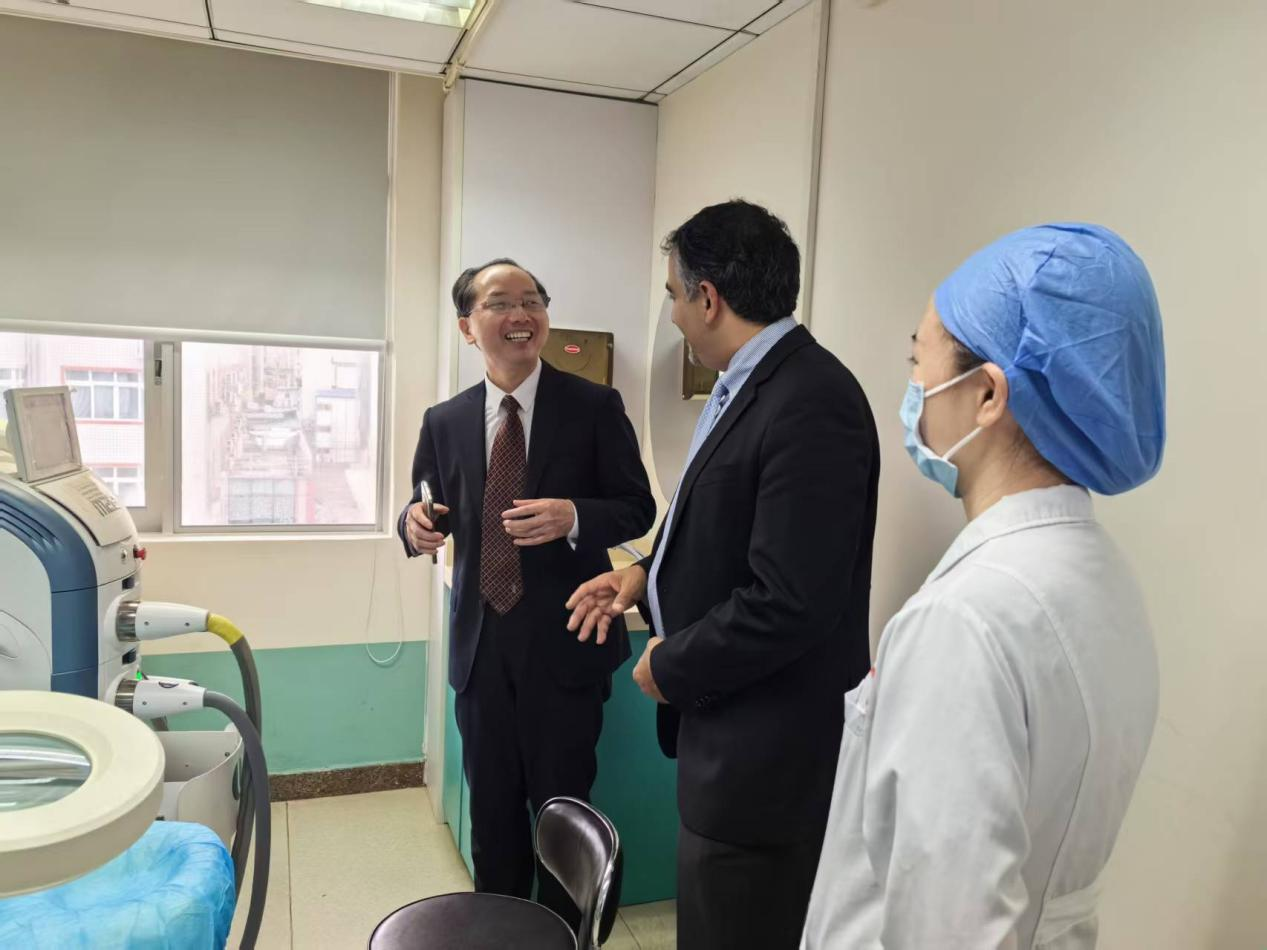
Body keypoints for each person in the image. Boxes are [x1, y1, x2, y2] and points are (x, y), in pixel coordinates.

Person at [800, 223, 1166, 949]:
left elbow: (947, 924)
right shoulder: (1100, 575)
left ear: (989, 395)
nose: (913, 388)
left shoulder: (964, 620)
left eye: (919, 360)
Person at [566, 200, 881, 950]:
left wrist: (671, 665)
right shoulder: (743, 385)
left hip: (766, 761)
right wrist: (643, 575)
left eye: (673, 296)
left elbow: (790, 599)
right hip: (728, 741)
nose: (673, 316)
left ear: (707, 297)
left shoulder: (810, 400)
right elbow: (716, 525)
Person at [398, 258, 654, 925]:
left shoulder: (593, 407)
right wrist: (412, 524)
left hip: (565, 645)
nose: (520, 315)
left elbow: (637, 507)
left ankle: (564, 936)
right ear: (467, 326)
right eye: (500, 303)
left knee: (563, 817)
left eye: (532, 300)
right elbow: (425, 502)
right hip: (480, 652)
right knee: (492, 817)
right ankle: (501, 932)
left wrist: (575, 516)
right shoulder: (445, 420)